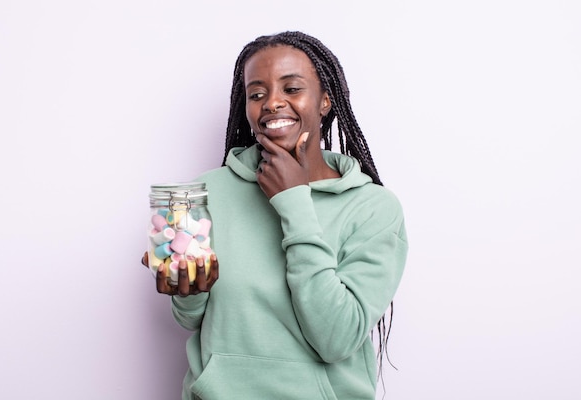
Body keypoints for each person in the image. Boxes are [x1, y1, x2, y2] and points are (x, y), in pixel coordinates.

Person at [142, 30, 408, 399]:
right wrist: (187, 288)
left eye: (292, 89)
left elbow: (337, 338)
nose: (272, 103)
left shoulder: (374, 208)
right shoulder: (204, 192)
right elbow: (190, 320)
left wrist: (293, 200)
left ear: (325, 101)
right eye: (257, 94)